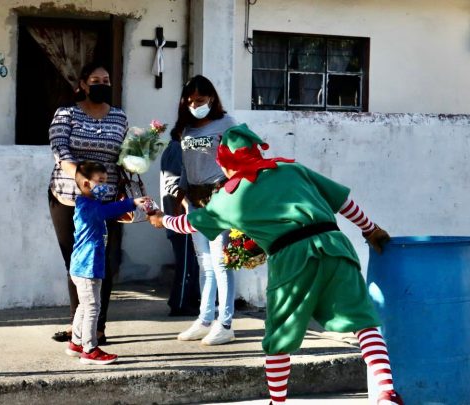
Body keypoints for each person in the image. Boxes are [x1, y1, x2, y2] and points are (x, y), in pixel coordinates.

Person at [149, 123, 403, 405]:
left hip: (292, 258)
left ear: (225, 161)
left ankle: (278, 402)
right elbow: (344, 202)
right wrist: (370, 229)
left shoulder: (230, 196)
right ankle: (386, 394)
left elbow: (190, 224)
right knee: (364, 324)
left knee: (279, 337)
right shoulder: (292, 169)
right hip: (335, 246)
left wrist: (162, 220)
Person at [48, 62, 127, 345]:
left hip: (107, 201)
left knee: (102, 262)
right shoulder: (66, 114)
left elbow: (124, 154)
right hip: (67, 196)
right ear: (82, 84)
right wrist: (80, 177)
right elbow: (60, 149)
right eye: (95, 79)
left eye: (106, 79)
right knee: (76, 262)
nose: (101, 84)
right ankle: (77, 324)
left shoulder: (119, 117)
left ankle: (99, 326)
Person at [171, 75, 238, 345]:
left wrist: (230, 192)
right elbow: (186, 168)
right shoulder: (185, 129)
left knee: (222, 263)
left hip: (219, 197)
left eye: (200, 100)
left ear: (212, 98)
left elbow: (244, 159)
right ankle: (205, 318)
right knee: (205, 264)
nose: (195, 104)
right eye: (190, 101)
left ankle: (226, 323)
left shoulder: (227, 124)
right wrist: (183, 198)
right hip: (195, 199)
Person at [64, 161, 151, 365]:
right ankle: (90, 349)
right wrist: (132, 202)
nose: (106, 185)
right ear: (86, 184)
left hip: (83, 266)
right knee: (93, 306)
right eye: (101, 181)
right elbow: (107, 211)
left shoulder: (88, 204)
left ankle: (76, 343)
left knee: (84, 307)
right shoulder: (89, 207)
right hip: (87, 267)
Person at [160, 128, 200, 316]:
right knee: (185, 264)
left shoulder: (181, 149)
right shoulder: (176, 148)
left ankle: (187, 301)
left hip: (184, 218)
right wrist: (186, 204)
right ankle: (180, 304)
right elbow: (173, 184)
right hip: (179, 217)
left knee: (191, 263)